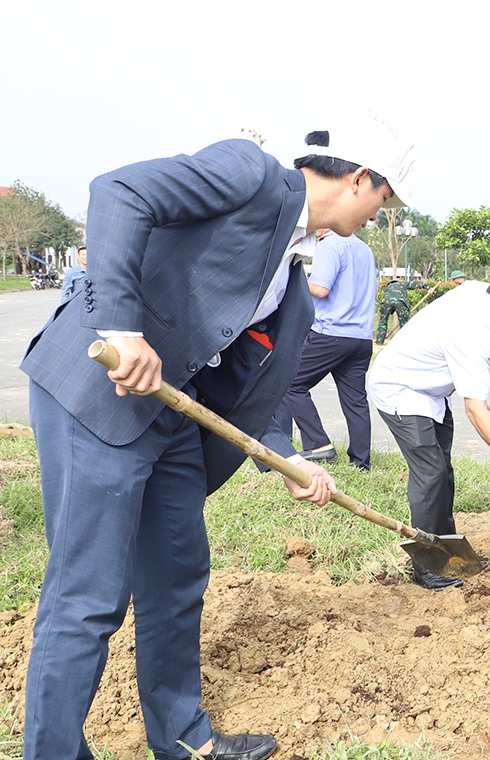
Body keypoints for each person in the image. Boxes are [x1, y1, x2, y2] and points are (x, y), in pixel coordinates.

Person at [19, 118, 410, 760]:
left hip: (173, 415)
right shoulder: (250, 173)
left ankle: (183, 738)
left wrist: (286, 459)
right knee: (89, 594)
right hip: (101, 387)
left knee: (177, 577)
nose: (382, 215)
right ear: (361, 178)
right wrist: (122, 326)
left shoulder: (296, 295)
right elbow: (118, 192)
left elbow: (251, 395)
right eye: (385, 200)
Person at [368, 257, 490, 590]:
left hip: (431, 392)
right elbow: (476, 410)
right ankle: (428, 567)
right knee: (430, 474)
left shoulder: (481, 295)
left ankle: (449, 556)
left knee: (443, 474)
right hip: (400, 389)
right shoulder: (471, 327)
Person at [280, 228, 377, 470]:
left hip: (330, 332)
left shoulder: (329, 245)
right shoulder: (365, 249)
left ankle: (318, 444)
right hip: (361, 337)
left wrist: (294, 269)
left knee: (289, 384)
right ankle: (361, 462)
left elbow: (321, 289)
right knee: (355, 400)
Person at [376, 274, 430, 344]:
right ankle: (406, 343)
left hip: (386, 302)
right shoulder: (402, 284)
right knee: (404, 324)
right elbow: (415, 284)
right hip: (400, 302)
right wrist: (428, 287)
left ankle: (379, 341)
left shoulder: (387, 287)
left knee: (383, 321)